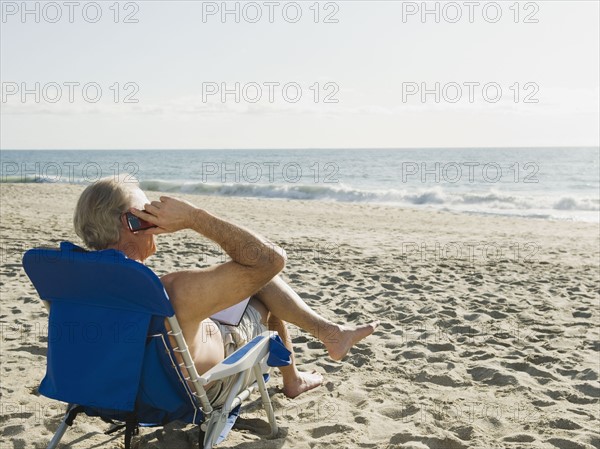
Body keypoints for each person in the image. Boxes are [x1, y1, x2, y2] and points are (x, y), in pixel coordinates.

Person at [74, 176, 378, 406]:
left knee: (241, 281)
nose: (155, 215)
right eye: (147, 212)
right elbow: (272, 259)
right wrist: (193, 217)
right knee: (258, 281)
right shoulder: (170, 291)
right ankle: (298, 374)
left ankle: (327, 335)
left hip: (114, 391)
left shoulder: (73, 283)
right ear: (132, 222)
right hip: (193, 390)